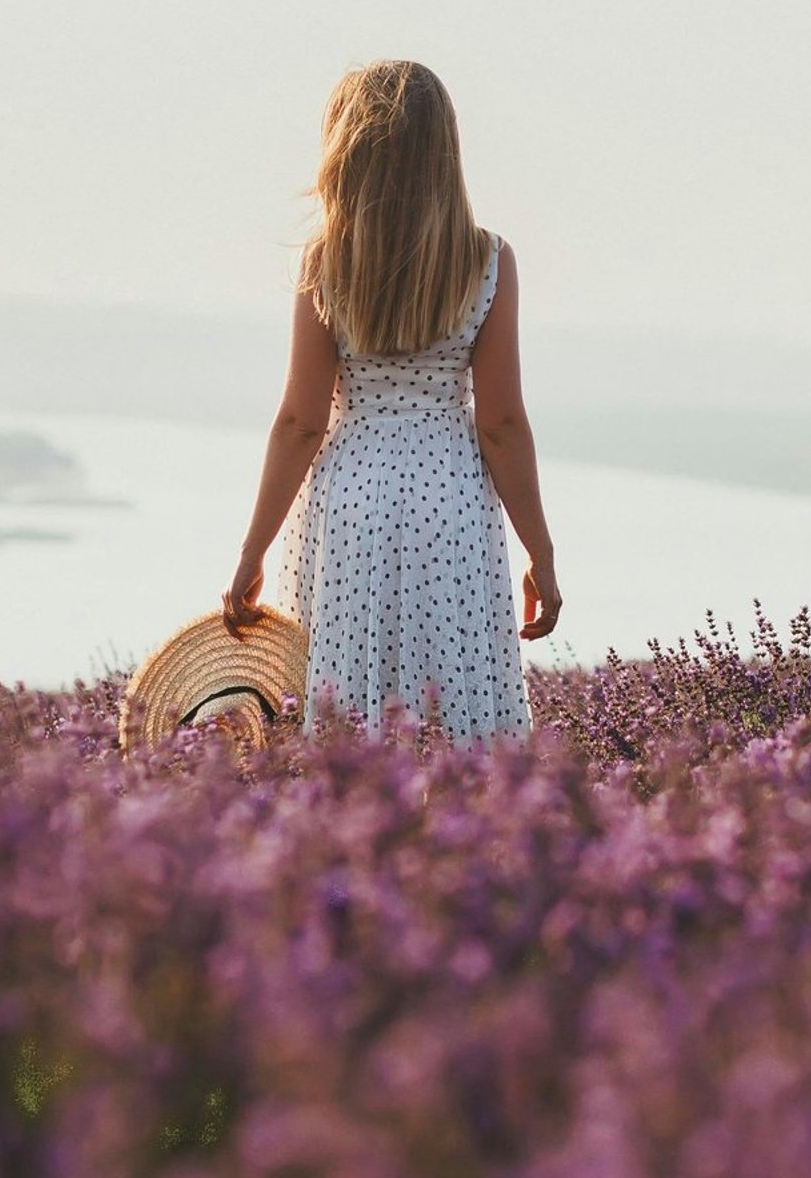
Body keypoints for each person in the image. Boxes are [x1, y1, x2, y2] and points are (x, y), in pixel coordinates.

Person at [224, 60, 560, 739]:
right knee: (459, 696)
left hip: (350, 499)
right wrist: (542, 557)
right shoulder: (488, 260)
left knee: (346, 700)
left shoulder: (324, 263)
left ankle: (358, 831)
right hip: (455, 501)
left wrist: (250, 554)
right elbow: (500, 425)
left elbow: (299, 423)